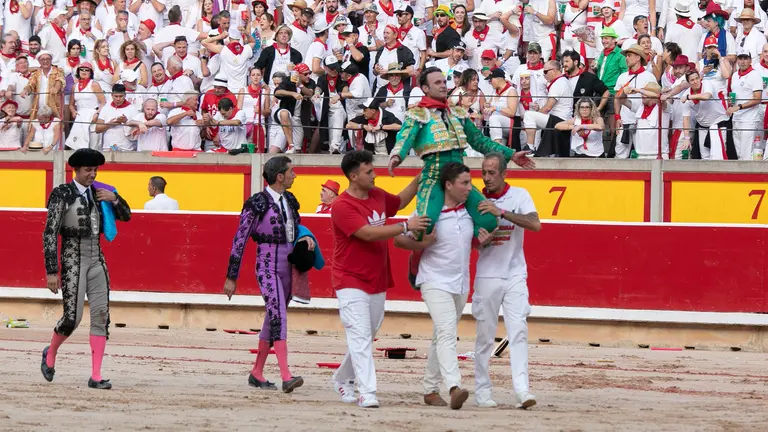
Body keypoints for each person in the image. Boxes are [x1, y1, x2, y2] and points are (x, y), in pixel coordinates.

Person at [330, 150, 427, 408]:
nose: (374, 175)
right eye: (369, 171)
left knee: (365, 335)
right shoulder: (341, 205)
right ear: (353, 176)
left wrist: (420, 178)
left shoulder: (377, 195)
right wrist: (406, 226)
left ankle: (342, 378)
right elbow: (368, 233)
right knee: (361, 337)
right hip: (349, 279)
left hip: (377, 278)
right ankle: (368, 392)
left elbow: (401, 201)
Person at [389, 67, 534, 239]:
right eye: (437, 83)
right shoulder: (417, 114)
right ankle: (417, 261)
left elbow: (480, 141)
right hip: (434, 175)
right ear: (425, 89)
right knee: (424, 226)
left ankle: (461, 241)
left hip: (460, 176)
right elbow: (405, 137)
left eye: (444, 82)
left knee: (488, 220)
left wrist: (510, 154)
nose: (443, 85)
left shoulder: (457, 113)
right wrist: (397, 156)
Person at [41, 148, 132, 390]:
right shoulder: (62, 193)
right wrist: (52, 271)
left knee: (101, 316)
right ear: (76, 171)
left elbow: (126, 216)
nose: (92, 174)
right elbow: (50, 232)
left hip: (97, 259)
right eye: (88, 170)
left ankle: (96, 375)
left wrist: (115, 199)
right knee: (72, 318)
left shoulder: (101, 192)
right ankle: (50, 352)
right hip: (72, 259)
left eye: (95, 170)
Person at [393, 162, 478, 410]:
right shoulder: (429, 212)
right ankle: (454, 386)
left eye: (470, 182)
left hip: (461, 282)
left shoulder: (468, 212)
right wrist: (422, 243)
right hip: (433, 280)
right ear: (448, 185)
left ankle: (430, 390)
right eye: (464, 183)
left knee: (440, 335)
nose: (469, 188)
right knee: (448, 332)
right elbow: (399, 240)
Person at [224, 156, 311, 394]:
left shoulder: (291, 201)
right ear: (280, 176)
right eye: (291, 171)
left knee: (272, 320)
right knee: (279, 316)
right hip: (267, 265)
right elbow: (240, 239)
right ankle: (286, 375)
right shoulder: (257, 203)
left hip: (288, 266)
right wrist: (232, 276)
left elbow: (297, 229)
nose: (295, 175)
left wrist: (307, 239)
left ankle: (257, 372)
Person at [472, 152, 541, 410]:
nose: (487, 178)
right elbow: (468, 237)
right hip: (487, 274)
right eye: (484, 172)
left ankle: (522, 390)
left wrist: (501, 212)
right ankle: (482, 391)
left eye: (492, 173)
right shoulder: (474, 198)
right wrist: (478, 241)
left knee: (519, 331)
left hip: (514, 273)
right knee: (485, 336)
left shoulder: (520, 195)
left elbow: (535, 224)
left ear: (504, 173)